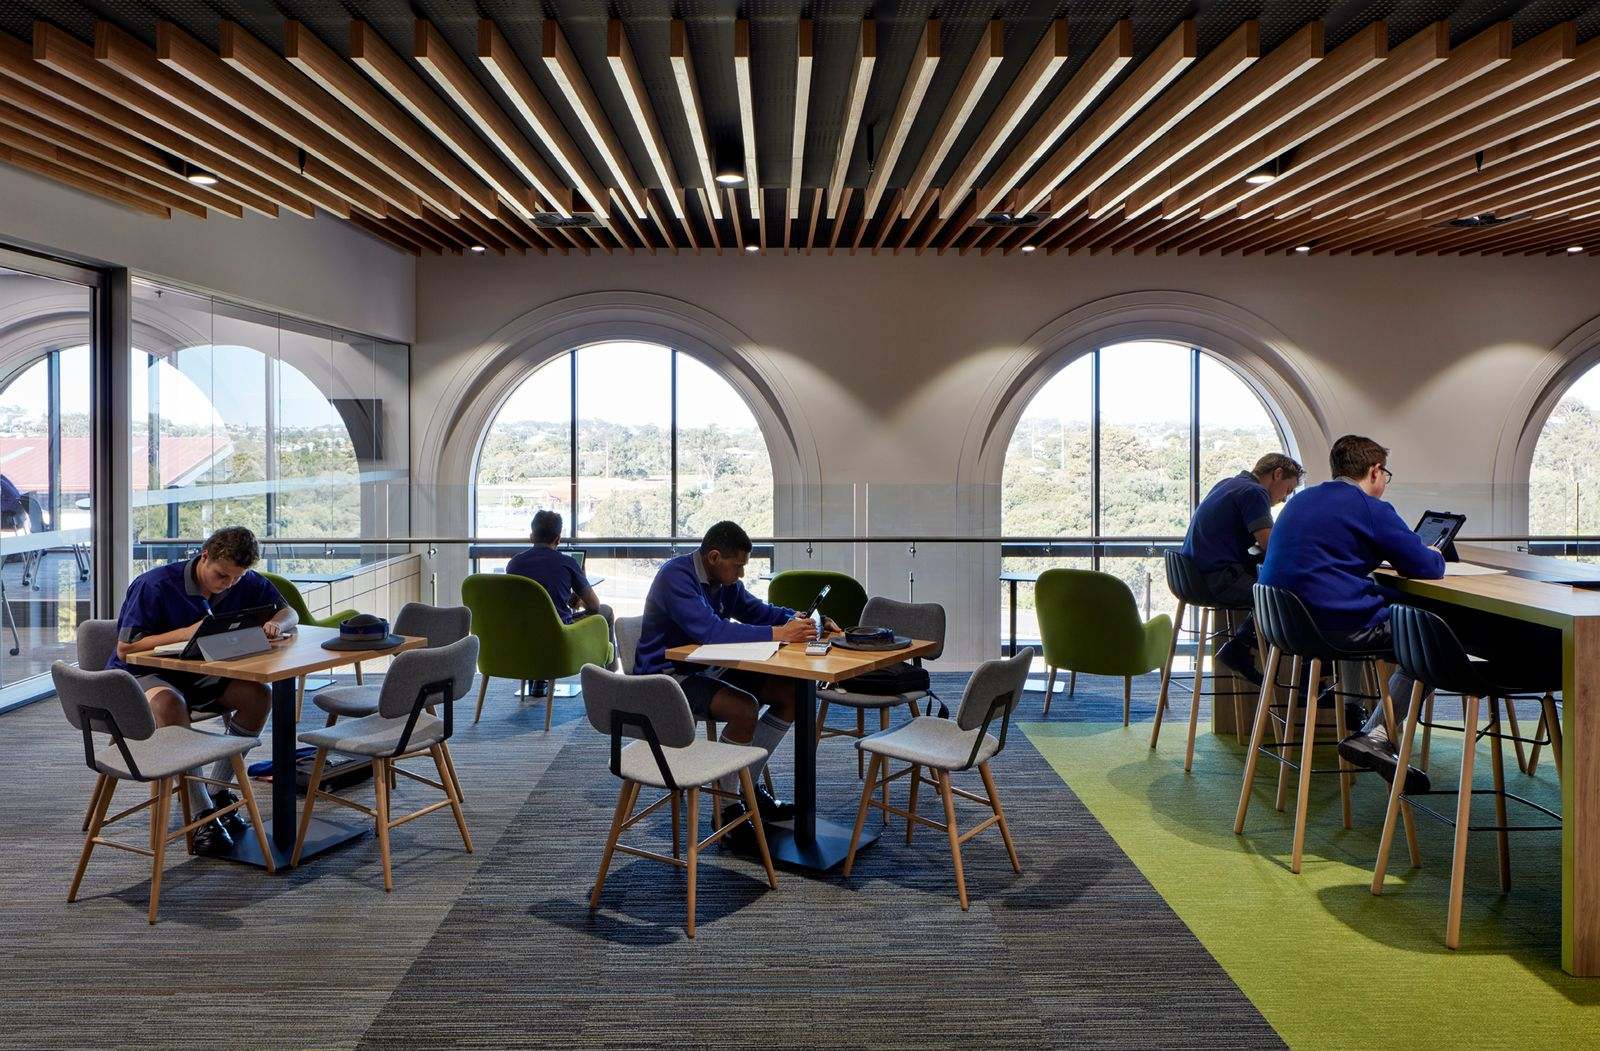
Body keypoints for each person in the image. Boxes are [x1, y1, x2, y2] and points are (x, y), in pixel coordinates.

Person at [1258, 435, 1444, 792]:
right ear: (1375, 471)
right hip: (1333, 628)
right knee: (1430, 638)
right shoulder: (1370, 509)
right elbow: (1426, 566)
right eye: (1385, 474)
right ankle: (1375, 736)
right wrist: (1434, 551)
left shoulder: (1300, 501)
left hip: (1284, 627)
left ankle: (1359, 712)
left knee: (1380, 605)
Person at [109, 526, 298, 854]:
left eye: (236, 578)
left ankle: (218, 788)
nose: (229, 584)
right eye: (223, 576)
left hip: (199, 673)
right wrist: (186, 632)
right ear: (205, 556)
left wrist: (276, 624)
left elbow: (289, 611)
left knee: (258, 696)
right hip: (141, 676)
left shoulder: (242, 580)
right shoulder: (154, 585)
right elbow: (127, 648)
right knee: (172, 705)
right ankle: (202, 814)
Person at [634, 520, 828, 834]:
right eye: (737, 566)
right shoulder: (676, 577)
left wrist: (802, 621)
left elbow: (757, 611)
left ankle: (744, 788)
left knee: (790, 695)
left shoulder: (724, 582)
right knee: (743, 709)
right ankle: (726, 809)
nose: (740, 574)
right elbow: (712, 632)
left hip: (706, 667)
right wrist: (781, 633)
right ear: (714, 558)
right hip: (667, 678)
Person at [1179, 452, 1303, 684]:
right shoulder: (1255, 493)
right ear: (1277, 474)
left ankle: (1240, 647)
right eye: (1287, 490)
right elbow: (1270, 544)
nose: (1285, 499)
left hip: (1196, 576)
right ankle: (1242, 648)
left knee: (1274, 585)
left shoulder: (1228, 484)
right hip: (1218, 578)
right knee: (1287, 596)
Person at [507, 509, 611, 628]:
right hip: (560, 633)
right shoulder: (568, 563)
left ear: (532, 537)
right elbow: (594, 606)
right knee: (606, 611)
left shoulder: (514, 563)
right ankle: (600, 646)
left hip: (524, 631)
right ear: (558, 539)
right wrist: (582, 582)